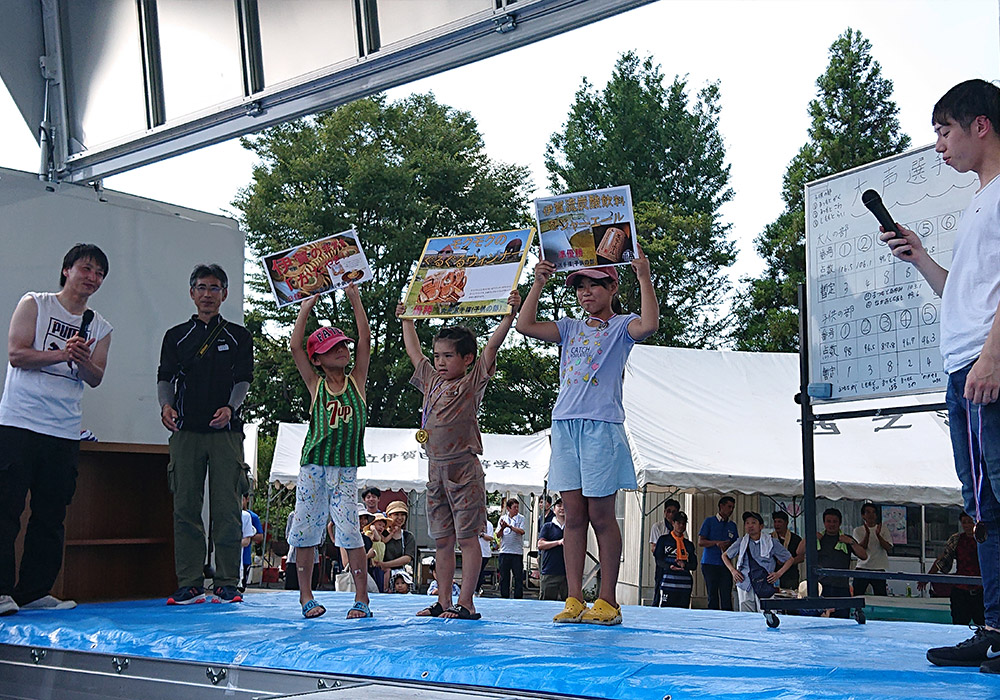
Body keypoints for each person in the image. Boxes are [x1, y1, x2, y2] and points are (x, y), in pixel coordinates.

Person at [882, 80, 1000, 671]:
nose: (938, 146)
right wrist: (920, 255)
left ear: (981, 125)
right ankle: (996, 628)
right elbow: (967, 292)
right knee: (982, 504)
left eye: (944, 130)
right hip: (964, 366)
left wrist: (993, 356)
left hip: (986, 365)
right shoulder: (980, 201)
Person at [517, 254, 658, 626]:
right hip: (565, 426)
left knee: (601, 515)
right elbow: (525, 324)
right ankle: (574, 597)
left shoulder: (622, 326)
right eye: (580, 286)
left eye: (595, 284)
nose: (586, 292)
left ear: (613, 287)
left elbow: (649, 324)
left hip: (601, 426)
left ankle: (608, 599)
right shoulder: (569, 328)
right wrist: (538, 282)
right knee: (573, 517)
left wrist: (643, 276)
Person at [0, 244, 112, 615]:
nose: (92, 277)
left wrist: (81, 361)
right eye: (86, 269)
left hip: (64, 430)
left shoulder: (100, 326)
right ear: (66, 270)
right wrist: (61, 354)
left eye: (99, 273)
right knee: (6, 508)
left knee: (51, 513)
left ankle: (34, 590)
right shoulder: (35, 303)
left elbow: (95, 378)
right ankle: (1, 590)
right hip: (19, 421)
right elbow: (17, 354)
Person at [400, 292, 519, 621]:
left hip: (463, 470)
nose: (440, 361)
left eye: (448, 356)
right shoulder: (431, 380)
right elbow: (414, 352)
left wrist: (507, 317)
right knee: (442, 540)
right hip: (436, 470)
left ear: (467, 359)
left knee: (467, 539)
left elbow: (491, 348)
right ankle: (442, 599)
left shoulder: (471, 382)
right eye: (438, 355)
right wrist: (408, 319)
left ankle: (466, 602)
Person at [157, 263, 252, 606]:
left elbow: (244, 379)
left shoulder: (238, 336)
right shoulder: (176, 335)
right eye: (201, 287)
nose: (207, 294)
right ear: (191, 293)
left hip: (225, 432)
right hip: (185, 432)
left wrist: (231, 408)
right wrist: (166, 407)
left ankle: (228, 582)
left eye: (214, 288)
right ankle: (190, 581)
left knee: (227, 508)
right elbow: (165, 377)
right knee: (185, 505)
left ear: (225, 293)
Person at [285, 287, 371, 619]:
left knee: (349, 529)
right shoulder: (315, 384)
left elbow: (364, 339)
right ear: (317, 359)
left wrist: (354, 298)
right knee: (306, 529)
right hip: (313, 466)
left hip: (345, 467)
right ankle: (306, 596)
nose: (341, 350)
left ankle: (361, 598)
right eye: (330, 348)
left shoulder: (357, 380)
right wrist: (306, 306)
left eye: (341, 345)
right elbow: (295, 346)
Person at [921, 512, 984, 627]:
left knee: (984, 626)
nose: (967, 525)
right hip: (961, 591)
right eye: (964, 522)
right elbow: (943, 560)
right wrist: (928, 577)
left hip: (981, 590)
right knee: (959, 625)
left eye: (970, 522)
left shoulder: (984, 539)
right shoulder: (956, 539)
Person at [722, 511, 794, 613]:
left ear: (761, 526)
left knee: (767, 615)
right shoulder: (741, 542)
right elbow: (725, 555)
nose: (750, 525)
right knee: (747, 618)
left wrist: (778, 574)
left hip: (765, 584)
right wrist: (733, 571)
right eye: (747, 523)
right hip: (745, 584)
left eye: (753, 522)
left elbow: (790, 559)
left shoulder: (771, 542)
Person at [816, 507, 867, 617]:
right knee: (822, 620)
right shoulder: (819, 538)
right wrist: (810, 538)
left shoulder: (846, 538)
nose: (831, 524)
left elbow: (863, 556)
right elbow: (798, 552)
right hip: (822, 587)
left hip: (842, 587)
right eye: (828, 521)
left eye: (835, 522)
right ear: (824, 523)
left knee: (843, 619)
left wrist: (851, 542)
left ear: (840, 523)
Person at [698, 496, 739, 611]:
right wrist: (716, 543)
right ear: (721, 506)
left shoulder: (732, 526)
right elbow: (701, 542)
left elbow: (736, 544)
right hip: (710, 563)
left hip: (726, 564)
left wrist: (729, 546)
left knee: (726, 594)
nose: (731, 510)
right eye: (729, 507)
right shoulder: (709, 521)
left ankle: (727, 619)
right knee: (712, 594)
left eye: (733, 508)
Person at [653, 511, 697, 608]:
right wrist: (669, 566)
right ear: (673, 523)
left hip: (684, 585)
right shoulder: (663, 540)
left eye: (683, 523)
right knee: (665, 610)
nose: (681, 526)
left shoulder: (688, 544)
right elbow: (658, 560)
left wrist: (684, 565)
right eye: (678, 523)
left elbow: (694, 565)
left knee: (683, 611)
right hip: (668, 582)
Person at [851, 502, 893, 596]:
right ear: (863, 515)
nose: (871, 515)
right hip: (862, 567)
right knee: (857, 595)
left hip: (879, 567)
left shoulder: (883, 529)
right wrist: (868, 534)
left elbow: (888, 547)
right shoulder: (857, 530)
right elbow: (861, 548)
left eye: (873, 512)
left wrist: (878, 535)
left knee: (881, 597)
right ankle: (857, 611)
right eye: (868, 512)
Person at [649, 499, 680, 606]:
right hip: (663, 564)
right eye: (668, 511)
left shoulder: (680, 527)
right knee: (659, 590)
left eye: (674, 512)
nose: (671, 514)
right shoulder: (658, 527)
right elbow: (654, 548)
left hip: (677, 562)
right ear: (664, 512)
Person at [379, 500, 415, 590]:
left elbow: (407, 558)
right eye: (396, 514)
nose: (400, 517)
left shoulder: (408, 536)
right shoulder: (381, 534)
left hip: (400, 579)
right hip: (381, 575)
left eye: (402, 515)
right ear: (388, 516)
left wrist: (385, 564)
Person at [538, 498, 568, 601]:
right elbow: (540, 544)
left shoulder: (572, 527)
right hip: (550, 571)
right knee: (546, 603)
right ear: (554, 509)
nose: (562, 508)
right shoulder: (548, 526)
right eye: (559, 505)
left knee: (570, 604)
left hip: (568, 572)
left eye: (565, 505)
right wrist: (558, 542)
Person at [496, 498, 526, 600]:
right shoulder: (503, 519)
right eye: (514, 507)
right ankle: (504, 596)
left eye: (517, 507)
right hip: (505, 551)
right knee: (504, 576)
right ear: (508, 508)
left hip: (517, 552)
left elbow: (522, 531)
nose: (516, 509)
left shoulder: (521, 518)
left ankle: (518, 596)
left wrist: (510, 526)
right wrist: (503, 528)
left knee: (518, 576)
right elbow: (498, 535)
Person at [771, 511, 805, 591]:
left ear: (786, 523)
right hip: (773, 575)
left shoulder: (796, 539)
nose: (777, 524)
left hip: (790, 576)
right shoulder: (769, 538)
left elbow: (801, 558)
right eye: (775, 522)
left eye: (779, 522)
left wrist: (787, 562)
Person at [238, 492, 263, 592]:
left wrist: (248, 534)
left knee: (241, 587)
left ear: (247, 499)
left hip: (245, 557)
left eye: (242, 499)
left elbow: (260, 536)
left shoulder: (251, 516)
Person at [477, 518, 495, 595]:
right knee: (473, 572)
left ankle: (477, 588)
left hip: (484, 553)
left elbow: (490, 538)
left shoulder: (488, 524)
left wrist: (481, 534)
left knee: (479, 571)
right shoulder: (473, 523)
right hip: (474, 552)